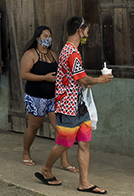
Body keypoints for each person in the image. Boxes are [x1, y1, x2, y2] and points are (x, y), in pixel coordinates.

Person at [34, 17, 113, 194]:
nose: (87, 34)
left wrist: (86, 82)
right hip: (68, 106)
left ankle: (84, 182)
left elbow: (77, 77)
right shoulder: (71, 53)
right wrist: (99, 80)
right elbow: (82, 78)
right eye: (86, 31)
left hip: (79, 106)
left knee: (84, 143)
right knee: (65, 143)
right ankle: (46, 169)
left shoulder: (71, 51)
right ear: (80, 31)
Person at [20, 26, 77, 172]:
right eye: (45, 36)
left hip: (53, 98)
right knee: (33, 127)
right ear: (38, 38)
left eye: (49, 36)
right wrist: (44, 78)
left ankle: (64, 161)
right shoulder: (30, 54)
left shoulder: (53, 54)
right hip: (36, 97)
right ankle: (26, 152)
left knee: (60, 129)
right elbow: (24, 74)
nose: (48, 39)